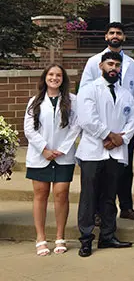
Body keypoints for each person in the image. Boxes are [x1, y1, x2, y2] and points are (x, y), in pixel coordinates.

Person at [76, 51, 134, 257]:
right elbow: (86, 119)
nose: (114, 68)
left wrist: (122, 138)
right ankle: (85, 239)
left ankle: (108, 236)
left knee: (110, 197)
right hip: (93, 151)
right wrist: (109, 135)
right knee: (89, 197)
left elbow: (133, 120)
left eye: (117, 66)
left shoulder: (126, 94)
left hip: (116, 152)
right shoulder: (89, 90)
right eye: (110, 64)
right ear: (101, 66)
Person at [79, 22, 134, 220]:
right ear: (106, 36)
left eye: (119, 33)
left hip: (124, 129)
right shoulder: (93, 61)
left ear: (123, 37)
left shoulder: (132, 64)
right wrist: (107, 134)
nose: (115, 36)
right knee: (99, 177)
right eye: (112, 33)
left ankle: (126, 207)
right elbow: (85, 94)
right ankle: (98, 213)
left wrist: (122, 135)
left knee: (125, 170)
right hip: (99, 131)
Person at [24, 64, 81, 256]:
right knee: (40, 194)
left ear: (63, 79)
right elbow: (29, 129)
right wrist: (45, 149)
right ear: (45, 77)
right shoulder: (35, 101)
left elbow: (76, 126)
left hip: (63, 156)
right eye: (51, 74)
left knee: (61, 194)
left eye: (58, 75)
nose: (54, 78)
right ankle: (40, 238)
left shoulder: (73, 100)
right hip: (40, 155)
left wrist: (61, 149)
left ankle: (59, 236)